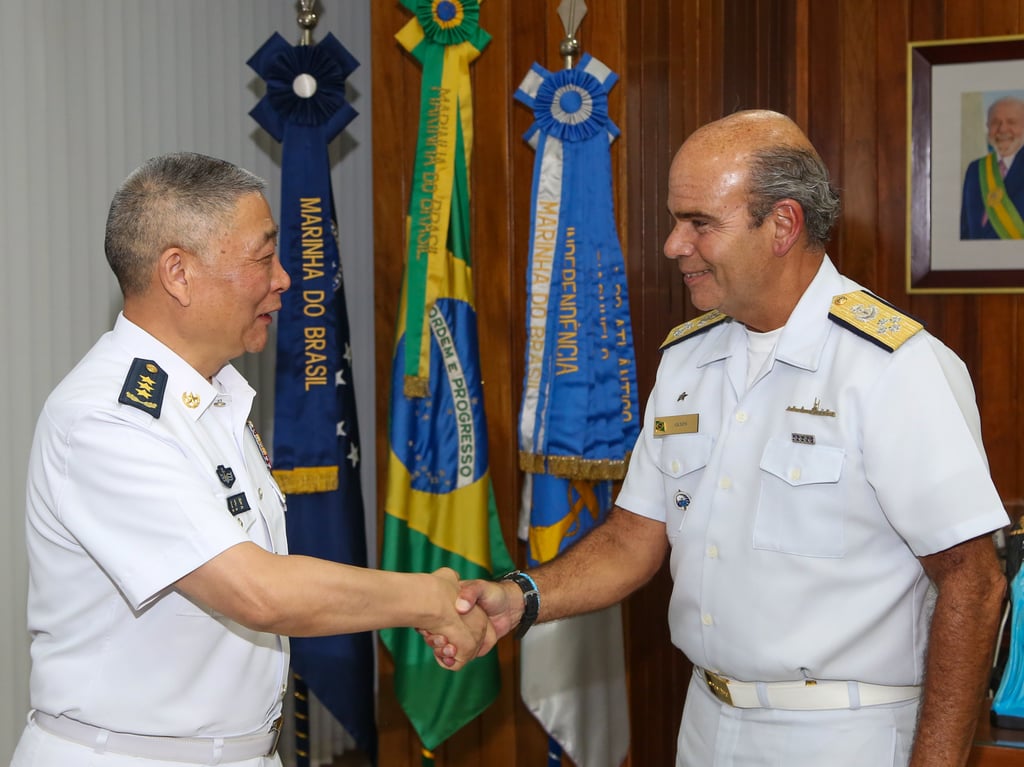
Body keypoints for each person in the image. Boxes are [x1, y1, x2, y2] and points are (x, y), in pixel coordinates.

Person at [429, 110, 1010, 767]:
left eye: (699, 223)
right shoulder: (688, 358)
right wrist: (519, 598)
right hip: (707, 722)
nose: (673, 244)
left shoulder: (891, 367)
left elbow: (973, 582)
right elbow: (632, 537)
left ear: (783, 225)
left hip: (845, 733)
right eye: (676, 220)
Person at [11, 152, 489, 767]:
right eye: (263, 258)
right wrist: (430, 599)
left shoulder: (215, 397)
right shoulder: (108, 419)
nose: (284, 278)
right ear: (178, 273)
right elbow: (256, 591)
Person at [960, 95, 1024, 239]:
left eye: (1011, 122)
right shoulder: (975, 169)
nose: (1002, 129)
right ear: (988, 127)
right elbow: (965, 228)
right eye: (995, 122)